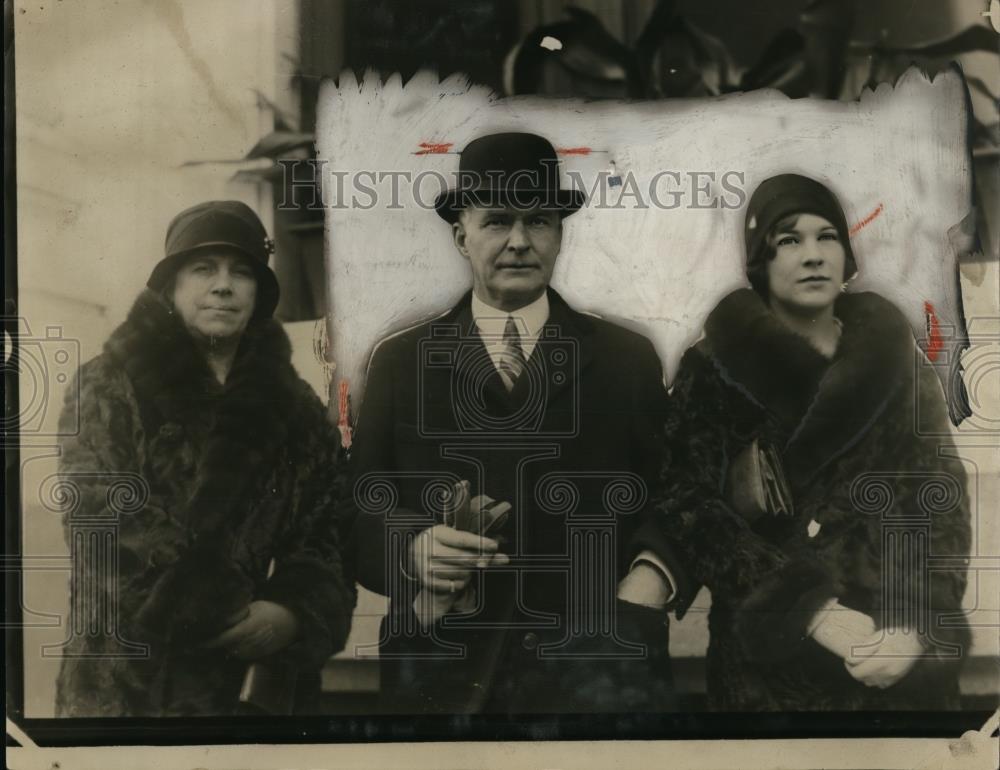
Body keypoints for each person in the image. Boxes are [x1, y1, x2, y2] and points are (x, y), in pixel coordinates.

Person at [348, 132, 693, 714]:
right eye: (497, 221)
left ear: (560, 234)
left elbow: (683, 494)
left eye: (538, 221)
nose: (518, 241)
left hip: (598, 676)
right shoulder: (402, 361)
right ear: (461, 236)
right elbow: (356, 510)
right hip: (446, 677)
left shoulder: (624, 359)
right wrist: (411, 550)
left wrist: (647, 584)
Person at [646, 173, 971, 710]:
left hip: (895, 658)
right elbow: (687, 505)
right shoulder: (713, 367)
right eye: (789, 240)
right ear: (761, 260)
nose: (814, 255)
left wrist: (915, 623)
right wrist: (809, 609)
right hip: (770, 672)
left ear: (847, 255)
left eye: (828, 237)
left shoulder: (895, 361)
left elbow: (941, 499)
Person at [54, 201, 355, 716]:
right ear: (171, 285)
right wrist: (213, 606)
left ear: (259, 293)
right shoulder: (107, 384)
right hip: (125, 684)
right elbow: (99, 516)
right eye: (203, 269)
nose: (223, 286)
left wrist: (291, 614)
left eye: (242, 272)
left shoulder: (298, 409)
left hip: (249, 686)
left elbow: (327, 533)